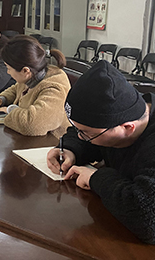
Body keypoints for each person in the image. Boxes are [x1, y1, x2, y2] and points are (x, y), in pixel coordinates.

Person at [47, 60, 155, 244]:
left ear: (127, 128)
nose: (80, 135)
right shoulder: (121, 112)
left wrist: (96, 178)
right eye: (78, 129)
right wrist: (71, 149)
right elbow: (90, 133)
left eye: (86, 133)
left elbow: (147, 220)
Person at [0, 35, 70, 137]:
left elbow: (32, 125)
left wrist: (9, 110)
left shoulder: (55, 89)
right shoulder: (33, 74)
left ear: (25, 70)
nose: (8, 72)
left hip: (51, 142)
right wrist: (2, 99)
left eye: (8, 68)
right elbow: (16, 88)